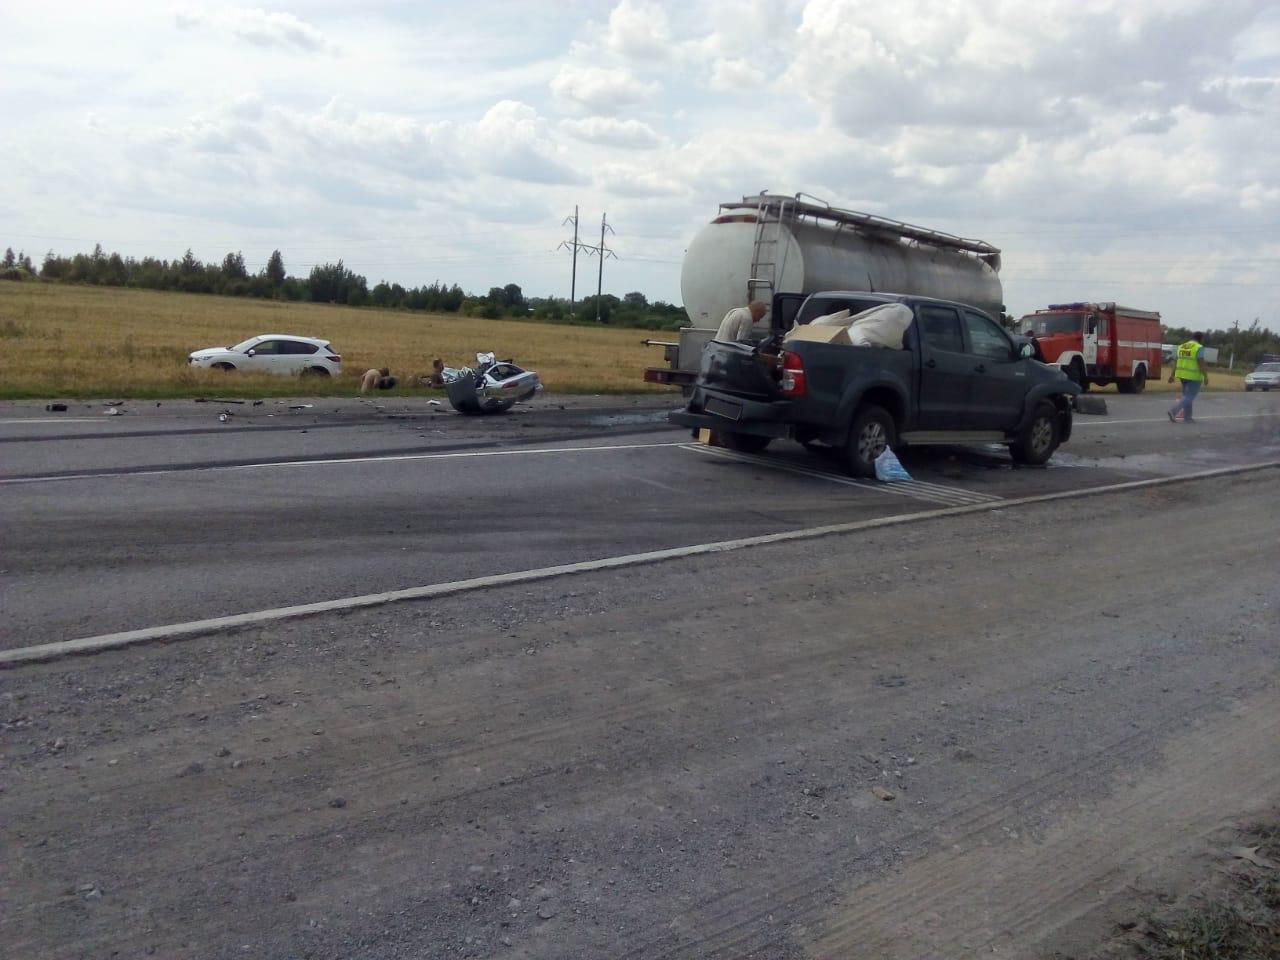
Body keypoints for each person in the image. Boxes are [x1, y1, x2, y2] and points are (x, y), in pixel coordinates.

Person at [1167, 333, 1208, 423]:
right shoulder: (1198, 347)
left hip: (1182, 375)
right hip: (1194, 376)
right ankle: (1173, 411)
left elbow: (1176, 362)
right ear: (1200, 339)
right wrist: (1206, 376)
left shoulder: (1181, 346)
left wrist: (1172, 375)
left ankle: (1188, 417)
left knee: (1187, 396)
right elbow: (1201, 363)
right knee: (1189, 396)